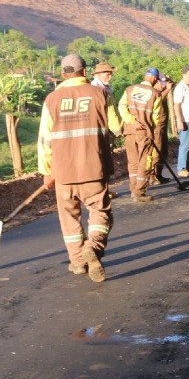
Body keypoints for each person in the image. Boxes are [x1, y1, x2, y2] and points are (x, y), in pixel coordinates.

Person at [38, 54, 122, 283]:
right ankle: (93, 246)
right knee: (100, 211)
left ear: (63, 74)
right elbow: (117, 126)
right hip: (93, 168)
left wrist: (47, 171)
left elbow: (45, 140)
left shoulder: (52, 100)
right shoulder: (100, 94)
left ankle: (77, 262)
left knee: (69, 218)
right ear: (85, 72)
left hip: (63, 172)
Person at [117, 67, 162, 202]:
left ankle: (133, 190)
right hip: (144, 132)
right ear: (154, 79)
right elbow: (156, 117)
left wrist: (131, 121)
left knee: (133, 161)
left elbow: (121, 106)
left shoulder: (130, 89)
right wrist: (151, 130)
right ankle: (140, 192)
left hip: (129, 131)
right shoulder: (156, 93)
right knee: (145, 160)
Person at [90, 61, 122, 199]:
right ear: (98, 74)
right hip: (100, 129)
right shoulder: (95, 89)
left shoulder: (107, 87)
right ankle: (100, 191)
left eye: (110, 73)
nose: (110, 76)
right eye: (107, 73)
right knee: (100, 161)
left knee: (107, 160)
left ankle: (105, 189)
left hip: (108, 129)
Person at [173, 66, 189, 178]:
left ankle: (186, 167)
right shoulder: (180, 88)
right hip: (185, 120)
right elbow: (177, 105)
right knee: (185, 145)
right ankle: (181, 168)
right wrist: (179, 120)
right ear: (183, 75)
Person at [150, 74, 174, 185]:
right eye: (163, 84)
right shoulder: (154, 93)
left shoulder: (162, 91)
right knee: (156, 151)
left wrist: (169, 82)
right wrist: (168, 89)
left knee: (164, 151)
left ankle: (158, 174)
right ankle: (152, 175)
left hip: (163, 127)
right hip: (156, 127)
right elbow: (159, 100)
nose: (164, 86)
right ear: (157, 82)